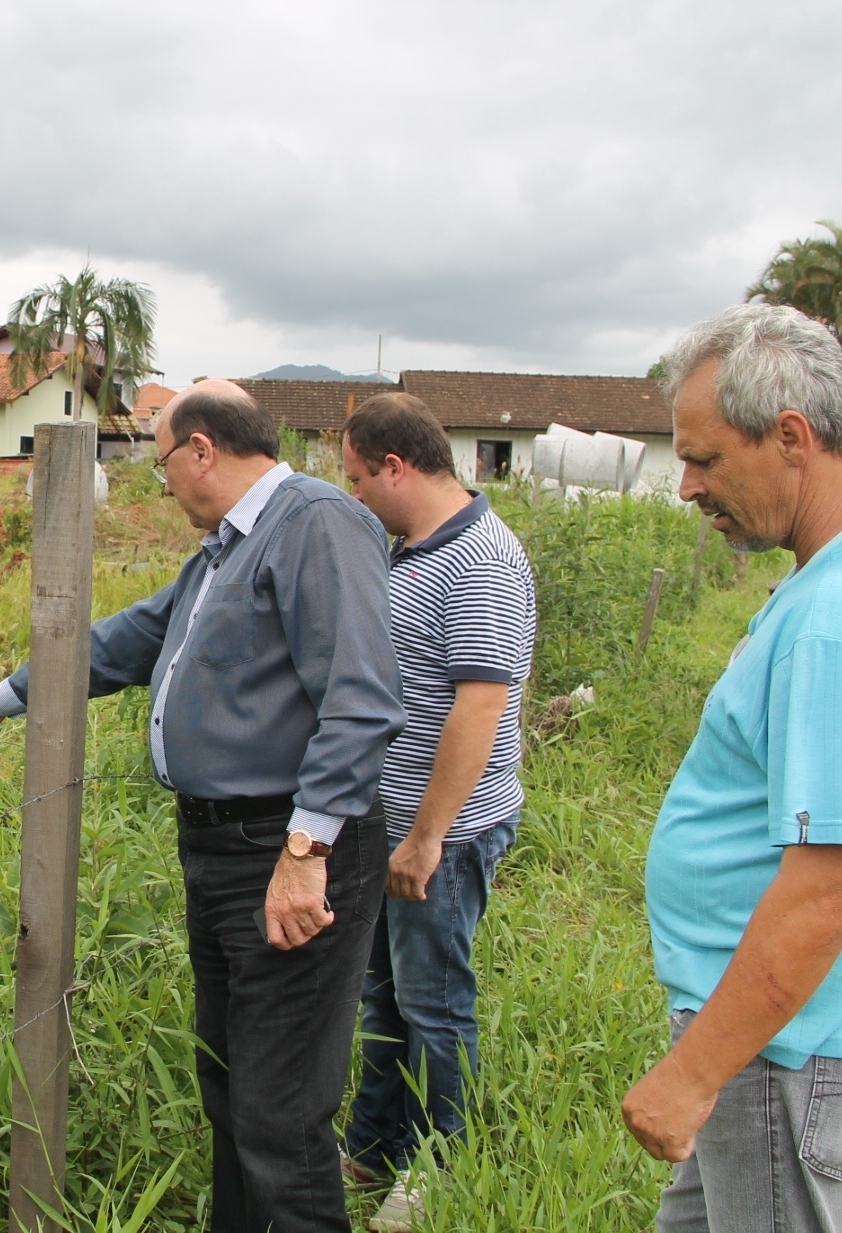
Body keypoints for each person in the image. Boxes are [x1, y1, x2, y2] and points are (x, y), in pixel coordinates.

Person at [0, 380, 406, 1233]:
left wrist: (303, 855)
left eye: (162, 462)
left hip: (287, 849)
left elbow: (361, 699)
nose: (163, 482)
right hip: (226, 850)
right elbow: (127, 641)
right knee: (231, 1084)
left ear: (203, 449)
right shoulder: (224, 552)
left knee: (279, 1111)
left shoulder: (316, 524)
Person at [622, 303, 842, 1232]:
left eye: (704, 459)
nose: (687, 487)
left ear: (790, 436)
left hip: (786, 1052)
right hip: (789, 1036)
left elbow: (828, 888)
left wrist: (693, 1073)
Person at [335, 394, 535, 1231]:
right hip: (394, 824)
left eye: (355, 479)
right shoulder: (411, 546)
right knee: (384, 997)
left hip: (440, 836)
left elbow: (480, 709)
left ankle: (442, 1168)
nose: (352, 495)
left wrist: (425, 839)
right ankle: (374, 1146)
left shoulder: (479, 560)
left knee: (435, 1003)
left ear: (395, 467)